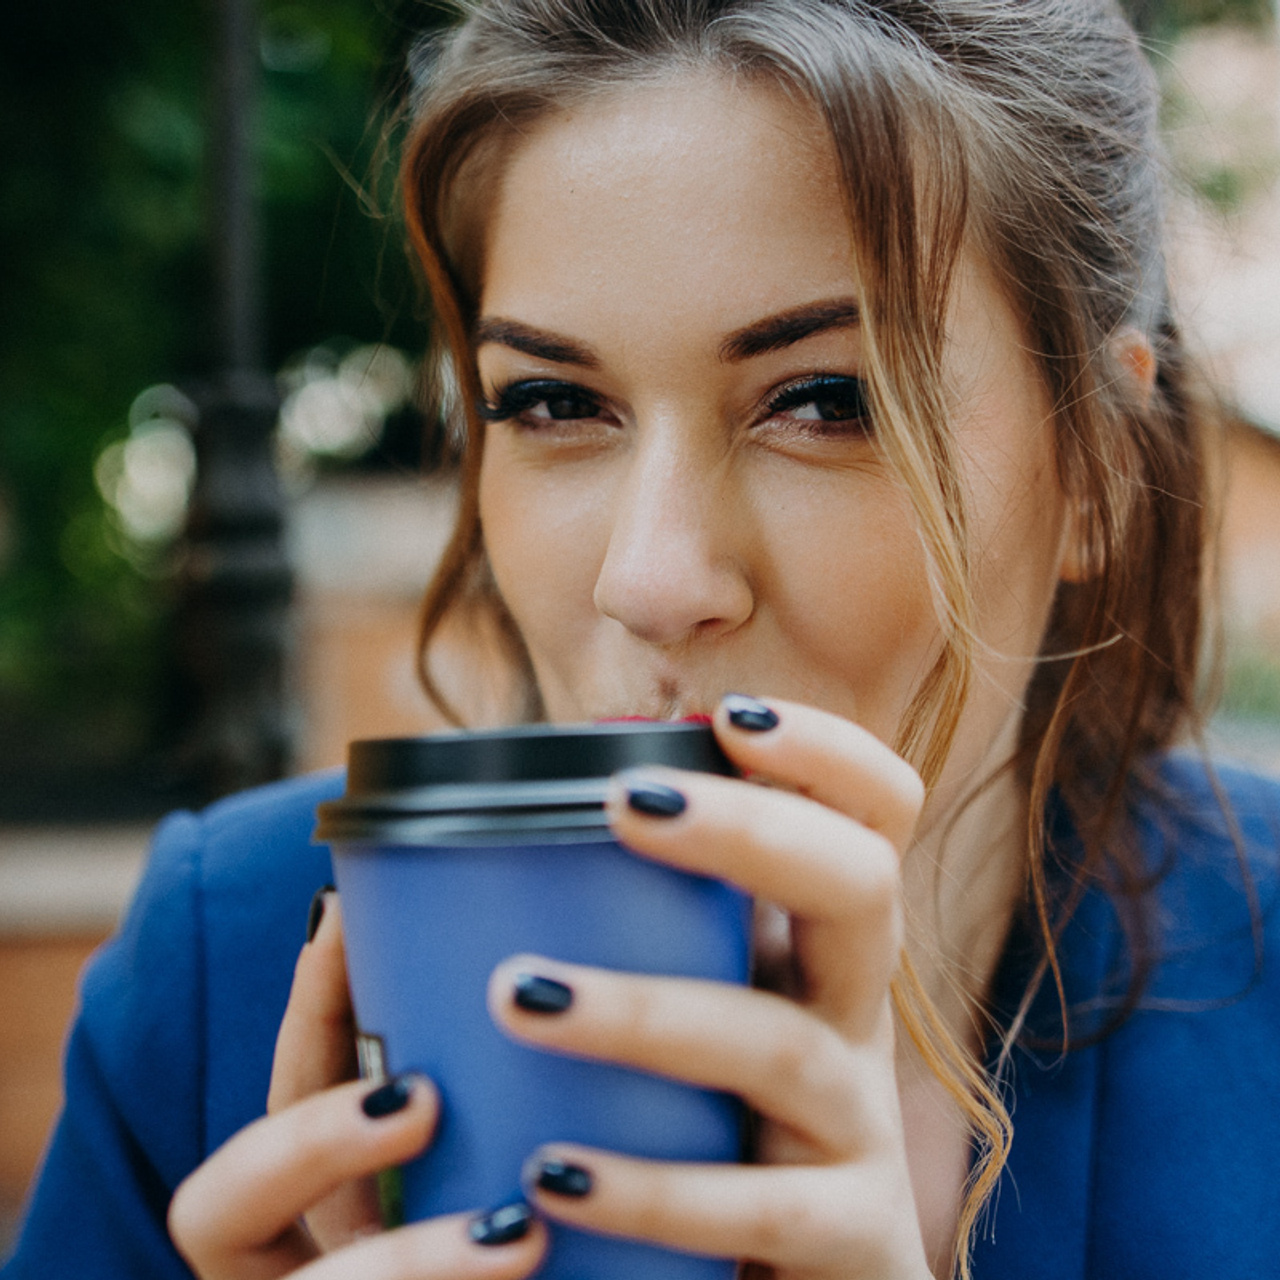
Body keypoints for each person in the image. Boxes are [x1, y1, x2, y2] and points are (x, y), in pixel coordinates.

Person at [5, 0, 1279, 1277]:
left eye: (827, 400)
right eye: (552, 401)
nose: (647, 577)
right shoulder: (223, 958)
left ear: (1101, 465)